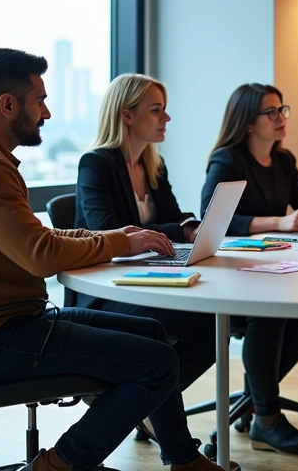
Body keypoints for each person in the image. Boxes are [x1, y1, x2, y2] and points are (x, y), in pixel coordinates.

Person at [0, 49, 230, 471]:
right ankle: (57, 465)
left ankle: (183, 458)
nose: (46, 113)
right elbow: (41, 255)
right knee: (157, 364)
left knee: (155, 335)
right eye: (39, 101)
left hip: (9, 323)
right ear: (7, 105)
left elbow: (39, 236)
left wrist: (117, 237)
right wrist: (118, 243)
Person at [74, 73, 217, 439]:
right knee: (185, 317)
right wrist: (178, 231)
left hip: (148, 277)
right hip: (107, 292)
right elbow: (107, 228)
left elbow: (174, 215)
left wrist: (190, 226)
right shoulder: (96, 164)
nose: (166, 118)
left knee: (215, 321)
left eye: (164, 110)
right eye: (156, 110)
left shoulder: (154, 165)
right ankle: (143, 406)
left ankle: (140, 402)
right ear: (126, 115)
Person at [199, 83, 298, 453]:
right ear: (248, 122)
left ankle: (257, 400)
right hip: (231, 272)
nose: (280, 118)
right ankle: (265, 416)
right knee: (269, 314)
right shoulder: (228, 160)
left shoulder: (283, 161)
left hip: (272, 265)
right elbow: (213, 219)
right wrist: (280, 222)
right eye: (270, 112)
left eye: (282, 109)